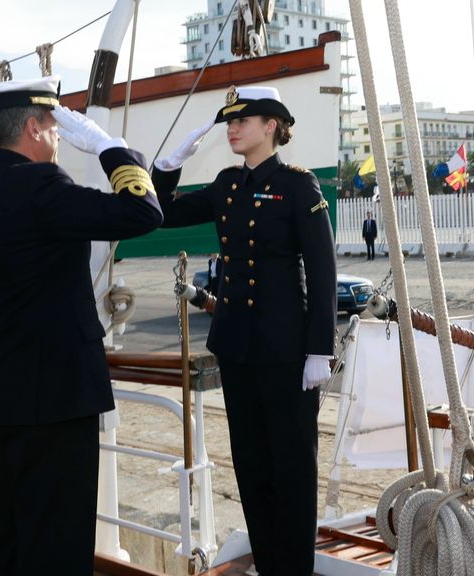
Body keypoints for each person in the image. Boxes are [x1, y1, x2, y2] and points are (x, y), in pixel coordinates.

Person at [0, 76, 162, 575]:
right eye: (55, 124)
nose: (63, 134)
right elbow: (142, 211)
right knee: (58, 546)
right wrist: (111, 149)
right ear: (33, 127)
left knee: (9, 539)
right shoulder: (43, 187)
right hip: (57, 402)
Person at [150, 85, 336, 575]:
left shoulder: (299, 186)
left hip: (286, 351)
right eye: (229, 121)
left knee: (292, 469)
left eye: (244, 120)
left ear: (272, 125)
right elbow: (160, 212)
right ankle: (270, 566)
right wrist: (168, 167)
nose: (232, 128)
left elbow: (323, 271)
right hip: (236, 349)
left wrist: (320, 348)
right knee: (252, 466)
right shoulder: (226, 183)